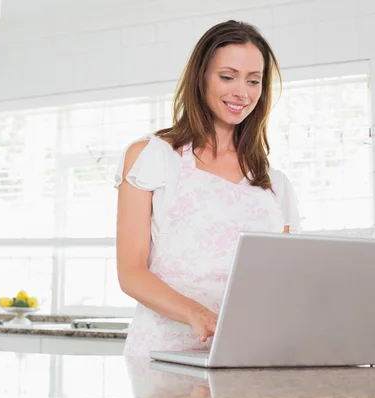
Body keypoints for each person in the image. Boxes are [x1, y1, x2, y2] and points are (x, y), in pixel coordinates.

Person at [115, 20, 302, 357]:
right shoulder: (151, 157)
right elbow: (131, 272)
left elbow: (283, 281)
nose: (241, 93)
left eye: (253, 81)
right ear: (201, 78)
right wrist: (196, 313)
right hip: (161, 357)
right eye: (227, 76)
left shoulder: (276, 184)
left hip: (245, 356)